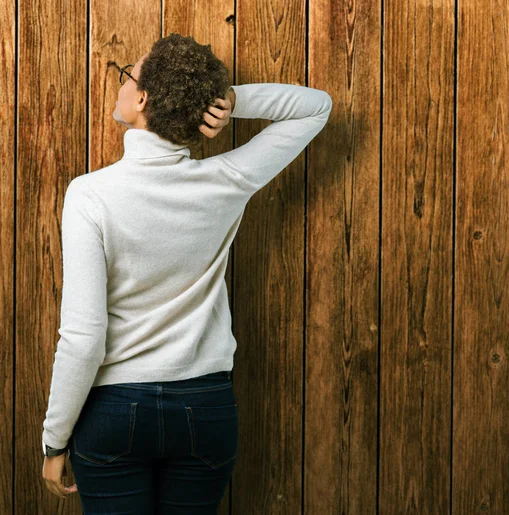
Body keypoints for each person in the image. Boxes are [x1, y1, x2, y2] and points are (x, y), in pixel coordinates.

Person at [41, 32, 332, 513]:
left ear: (142, 99)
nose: (120, 83)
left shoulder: (89, 195)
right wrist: (230, 102)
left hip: (113, 410)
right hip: (206, 406)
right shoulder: (226, 181)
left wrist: (55, 441)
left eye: (126, 74)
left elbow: (84, 333)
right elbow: (315, 107)